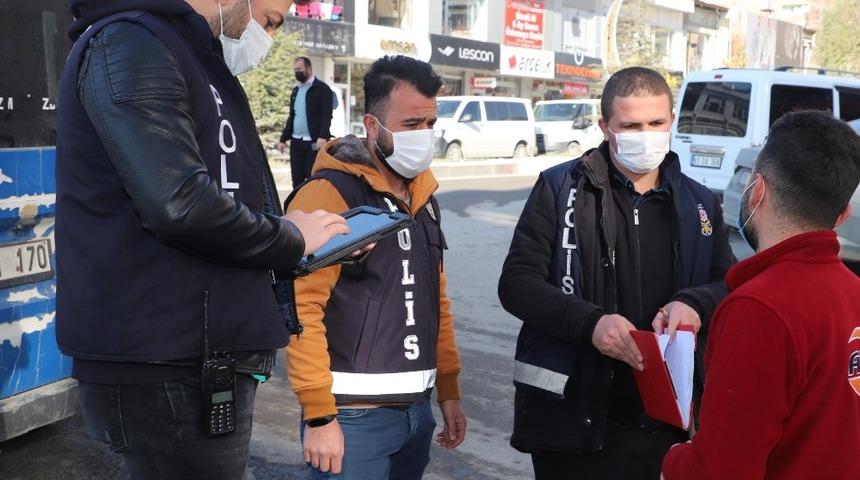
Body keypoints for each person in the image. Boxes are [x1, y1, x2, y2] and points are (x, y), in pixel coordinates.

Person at [55, 1, 343, 479]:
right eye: (270, 20)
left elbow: (219, 192)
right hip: (169, 363)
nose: (269, 37)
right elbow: (180, 204)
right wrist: (289, 238)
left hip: (200, 355)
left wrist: (298, 234)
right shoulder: (130, 41)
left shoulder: (188, 51)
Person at [497, 66, 735, 479]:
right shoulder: (559, 189)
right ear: (605, 126)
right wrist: (590, 324)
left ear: (672, 121)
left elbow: (729, 285)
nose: (646, 135)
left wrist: (694, 304)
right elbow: (517, 282)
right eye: (631, 126)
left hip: (664, 421)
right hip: (575, 419)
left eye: (656, 123)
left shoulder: (699, 203)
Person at [284, 55, 467, 479]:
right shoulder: (330, 195)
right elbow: (299, 308)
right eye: (411, 124)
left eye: (430, 123)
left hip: (417, 414)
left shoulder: (423, 199)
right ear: (372, 125)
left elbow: (436, 302)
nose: (424, 135)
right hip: (351, 421)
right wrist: (318, 414)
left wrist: (449, 390)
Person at [662, 111, 860, 479]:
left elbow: (721, 470)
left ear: (757, 190)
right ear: (843, 214)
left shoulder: (760, 309)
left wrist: (674, 462)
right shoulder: (852, 291)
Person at [278, 56, 335, 188]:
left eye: (299, 69)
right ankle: (296, 202)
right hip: (296, 142)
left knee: (312, 179)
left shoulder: (322, 89)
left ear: (308, 69)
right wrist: (283, 139)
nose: (296, 72)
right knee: (296, 180)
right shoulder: (296, 90)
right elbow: (292, 116)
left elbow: (327, 115)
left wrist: (322, 136)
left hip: (314, 143)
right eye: (295, 70)